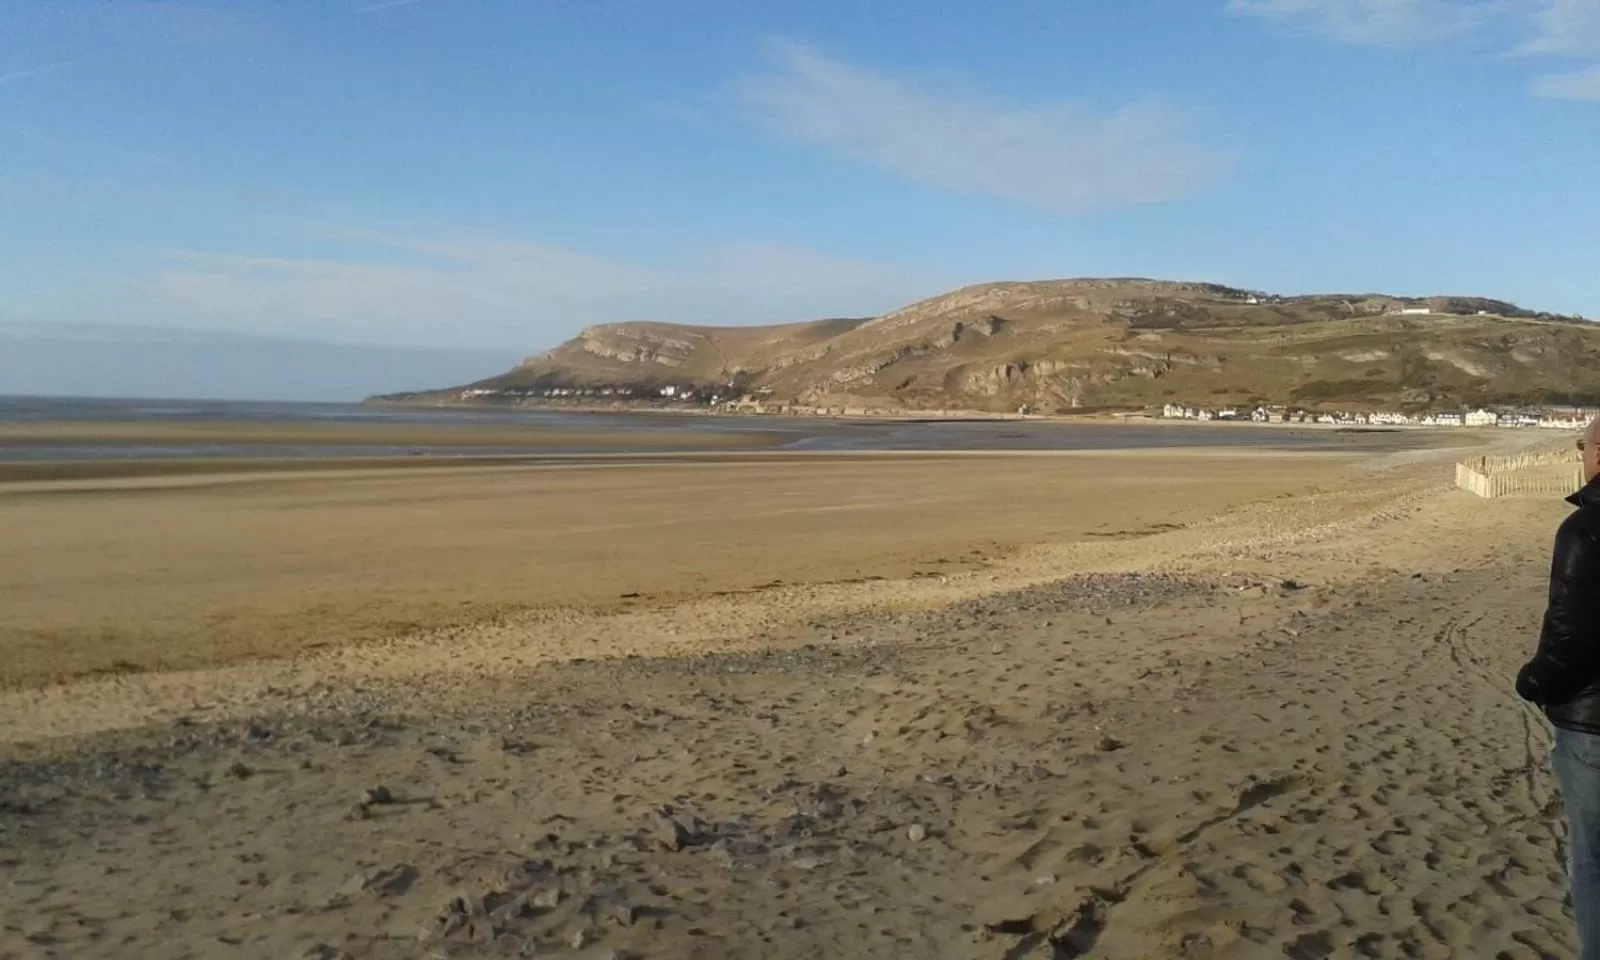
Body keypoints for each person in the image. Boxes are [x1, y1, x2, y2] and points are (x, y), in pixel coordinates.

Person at [1518, 416, 1600, 960]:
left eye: (1582, 444)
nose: (1579, 454)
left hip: (1593, 726)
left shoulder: (1584, 530)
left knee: (1592, 859)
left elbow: (1570, 637)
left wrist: (1534, 680)